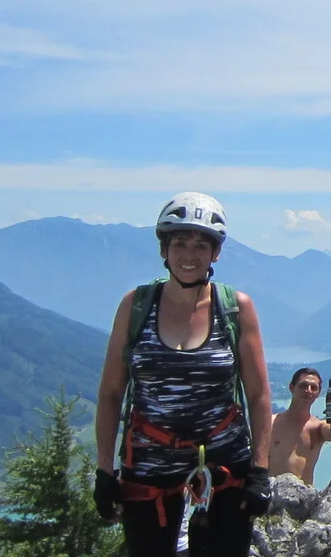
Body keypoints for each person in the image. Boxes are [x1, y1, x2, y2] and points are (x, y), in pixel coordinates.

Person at [92, 192, 273, 557]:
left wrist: (259, 470)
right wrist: (104, 470)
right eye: (180, 243)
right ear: (164, 249)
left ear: (215, 253)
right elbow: (111, 393)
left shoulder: (235, 309)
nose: (189, 255)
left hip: (225, 468)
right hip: (148, 469)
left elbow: (258, 395)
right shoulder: (135, 306)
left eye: (200, 245)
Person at [267, 367, 331, 484]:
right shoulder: (271, 422)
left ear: (318, 393)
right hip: (272, 495)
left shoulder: (317, 428)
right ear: (291, 387)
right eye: (303, 386)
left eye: (313, 388)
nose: (308, 390)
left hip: (303, 496)